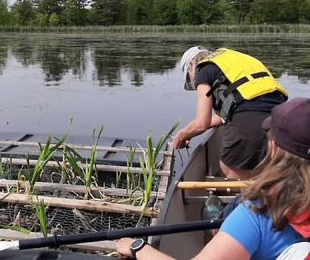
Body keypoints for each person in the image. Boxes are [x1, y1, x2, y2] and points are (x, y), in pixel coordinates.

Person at [116, 97, 310, 260]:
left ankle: (218, 228)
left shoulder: (258, 213)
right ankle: (220, 226)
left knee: (241, 203)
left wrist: (139, 248)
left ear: (274, 148)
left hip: (248, 224)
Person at [173, 46, 288, 179]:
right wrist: (189, 133)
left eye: (189, 79)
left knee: (227, 173)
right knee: (271, 173)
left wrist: (182, 135)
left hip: (247, 121)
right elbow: (222, 117)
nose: (193, 82)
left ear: (191, 66)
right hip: (282, 121)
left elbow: (201, 123)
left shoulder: (202, 70)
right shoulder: (235, 61)